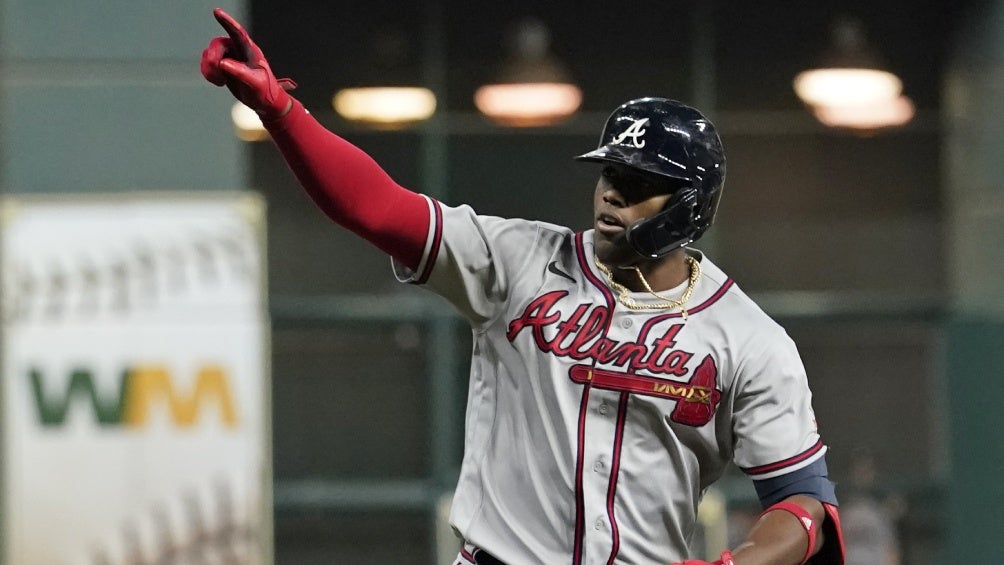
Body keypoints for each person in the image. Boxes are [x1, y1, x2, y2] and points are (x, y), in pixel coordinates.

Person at [200, 9, 846, 564]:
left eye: (639, 180)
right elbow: (378, 208)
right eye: (609, 172)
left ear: (691, 203)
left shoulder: (750, 339)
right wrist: (281, 111)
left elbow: (803, 502)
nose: (613, 190)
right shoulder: (516, 259)